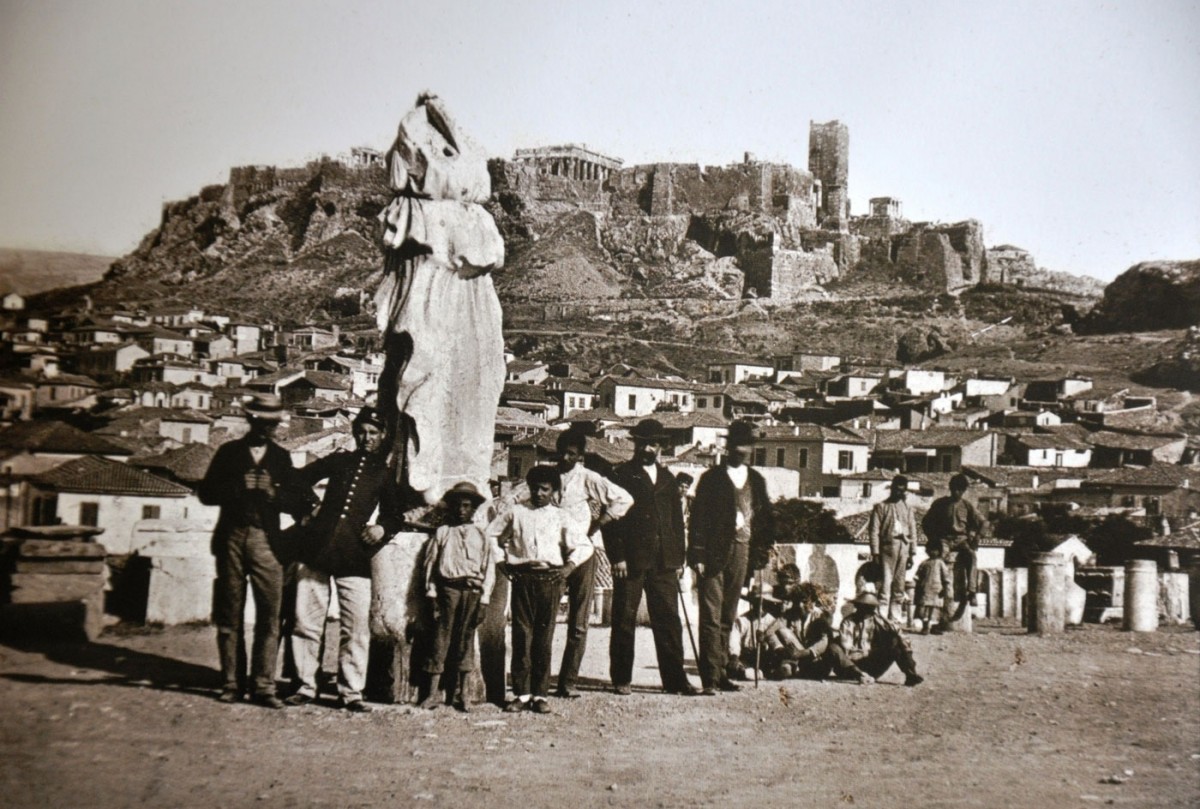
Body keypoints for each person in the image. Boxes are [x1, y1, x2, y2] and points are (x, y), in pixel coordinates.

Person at [198, 393, 317, 708]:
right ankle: (231, 684)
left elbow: (302, 500)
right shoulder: (229, 453)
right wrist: (239, 486)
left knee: (270, 616)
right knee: (229, 614)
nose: (268, 429)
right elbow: (206, 494)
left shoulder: (280, 458)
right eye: (263, 423)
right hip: (231, 539)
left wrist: (273, 493)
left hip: (267, 541)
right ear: (250, 420)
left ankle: (263, 687)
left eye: (273, 424)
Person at [285, 407, 397, 713]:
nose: (367, 438)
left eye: (374, 433)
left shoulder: (384, 473)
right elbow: (297, 479)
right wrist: (311, 507)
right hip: (315, 550)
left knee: (356, 627)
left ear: (383, 436)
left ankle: (351, 692)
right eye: (362, 431)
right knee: (306, 622)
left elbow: (394, 512)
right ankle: (306, 686)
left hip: (354, 556)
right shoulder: (339, 461)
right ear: (354, 432)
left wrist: (382, 528)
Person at [604, 419, 697, 696]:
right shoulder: (621, 475)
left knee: (669, 621)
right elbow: (612, 521)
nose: (647, 448)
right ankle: (621, 678)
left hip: (664, 562)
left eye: (653, 443)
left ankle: (675, 680)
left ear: (660, 446)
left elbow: (676, 523)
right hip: (631, 560)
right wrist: (617, 557)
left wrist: (678, 559)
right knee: (624, 619)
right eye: (643, 442)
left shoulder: (669, 479)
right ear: (635, 443)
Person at [488, 465, 592, 714]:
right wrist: (502, 562)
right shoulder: (516, 512)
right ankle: (522, 694)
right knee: (522, 636)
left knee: (543, 638)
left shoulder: (561, 516)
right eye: (535, 488)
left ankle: (540, 694)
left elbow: (584, 546)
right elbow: (491, 535)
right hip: (523, 578)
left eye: (545, 489)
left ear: (554, 490)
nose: (539, 493)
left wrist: (569, 567)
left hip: (551, 579)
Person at [688, 420, 775, 695]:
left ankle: (723, 671)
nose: (743, 450)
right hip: (714, 554)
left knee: (728, 614)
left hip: (743, 552)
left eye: (748, 445)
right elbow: (698, 519)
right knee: (711, 616)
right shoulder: (711, 478)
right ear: (728, 447)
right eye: (738, 445)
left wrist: (762, 551)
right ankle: (710, 678)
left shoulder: (757, 481)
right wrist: (698, 554)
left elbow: (766, 521)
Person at [552, 429, 633, 699]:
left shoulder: (588, 478)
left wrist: (599, 523)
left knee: (579, 623)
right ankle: (537, 681)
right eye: (562, 452)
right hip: (552, 556)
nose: (565, 457)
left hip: (584, 555)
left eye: (571, 454)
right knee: (546, 620)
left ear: (580, 456)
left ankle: (568, 681)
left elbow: (623, 499)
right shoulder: (547, 477)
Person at [420, 481, 497, 712]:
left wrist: (484, 600)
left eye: (467, 506)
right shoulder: (443, 532)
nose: (462, 510)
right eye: (458, 506)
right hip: (448, 591)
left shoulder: (481, 535)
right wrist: (432, 593)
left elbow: (488, 569)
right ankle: (432, 694)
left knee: (465, 640)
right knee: (440, 640)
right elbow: (430, 565)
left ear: (474, 509)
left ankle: (463, 694)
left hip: (471, 592)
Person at [921, 473, 986, 623]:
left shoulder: (967, 506)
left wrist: (977, 537)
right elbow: (926, 522)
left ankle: (972, 591)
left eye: (960, 490)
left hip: (961, 539)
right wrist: (933, 538)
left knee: (971, 556)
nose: (957, 493)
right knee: (938, 561)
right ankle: (939, 592)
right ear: (950, 489)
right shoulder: (940, 504)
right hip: (943, 539)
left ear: (964, 491)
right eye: (955, 489)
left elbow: (983, 523)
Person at [828, 591, 924, 686]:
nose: (868, 610)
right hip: (850, 667)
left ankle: (910, 674)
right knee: (833, 646)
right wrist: (865, 653)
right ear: (858, 607)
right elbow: (847, 648)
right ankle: (860, 675)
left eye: (870, 607)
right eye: (864, 606)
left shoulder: (881, 621)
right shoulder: (848, 622)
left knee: (895, 640)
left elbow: (903, 639)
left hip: (872, 667)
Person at [866, 475, 918, 622]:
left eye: (902, 491)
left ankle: (895, 618)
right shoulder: (881, 507)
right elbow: (874, 531)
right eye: (896, 489)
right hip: (887, 549)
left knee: (899, 585)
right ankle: (881, 617)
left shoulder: (908, 509)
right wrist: (875, 553)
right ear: (892, 489)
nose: (899, 493)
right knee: (885, 584)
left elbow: (913, 531)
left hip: (904, 549)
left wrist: (912, 553)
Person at [913, 543, 951, 634]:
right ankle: (925, 627)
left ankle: (934, 628)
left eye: (935, 550)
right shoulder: (924, 563)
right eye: (930, 550)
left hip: (936, 590)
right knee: (923, 610)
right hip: (925, 590)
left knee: (934, 610)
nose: (932, 552)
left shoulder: (940, 563)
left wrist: (945, 589)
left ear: (939, 551)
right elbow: (917, 576)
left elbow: (946, 577)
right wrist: (917, 587)